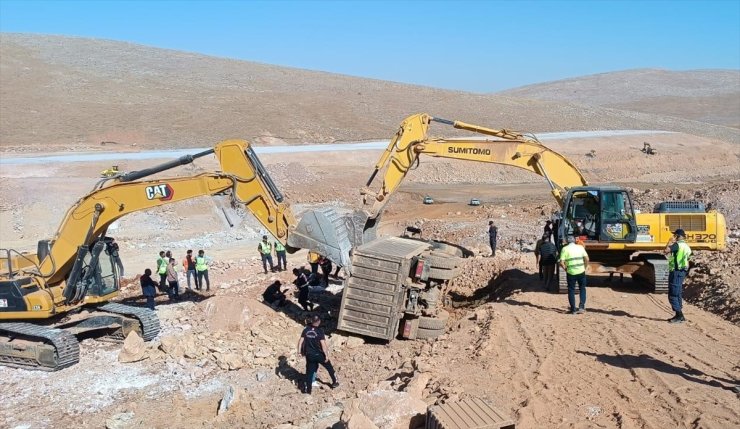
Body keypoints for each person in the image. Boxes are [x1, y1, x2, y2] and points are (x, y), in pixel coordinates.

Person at [297, 315, 339, 394]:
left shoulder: (306, 330)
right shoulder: (320, 331)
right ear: (319, 321)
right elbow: (323, 344)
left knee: (309, 372)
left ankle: (308, 391)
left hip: (309, 355)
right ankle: (335, 382)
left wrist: (299, 352)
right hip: (319, 355)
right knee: (329, 368)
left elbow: (300, 341)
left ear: (312, 321)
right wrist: (326, 355)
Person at [665, 228, 692, 323]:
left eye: (675, 235)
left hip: (676, 271)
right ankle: (678, 315)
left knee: (673, 293)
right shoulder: (686, 246)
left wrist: (669, 242)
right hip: (682, 271)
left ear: (678, 236)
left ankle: (680, 316)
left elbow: (666, 251)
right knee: (678, 292)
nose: (674, 237)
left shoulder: (677, 245)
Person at [559, 236, 589, 314]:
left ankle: (573, 309)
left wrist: (566, 269)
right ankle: (581, 307)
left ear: (567, 242)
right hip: (581, 271)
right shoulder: (580, 247)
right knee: (582, 288)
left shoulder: (564, 249)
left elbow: (561, 262)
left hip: (571, 272)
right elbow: (587, 259)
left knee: (571, 290)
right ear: (575, 241)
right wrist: (584, 267)